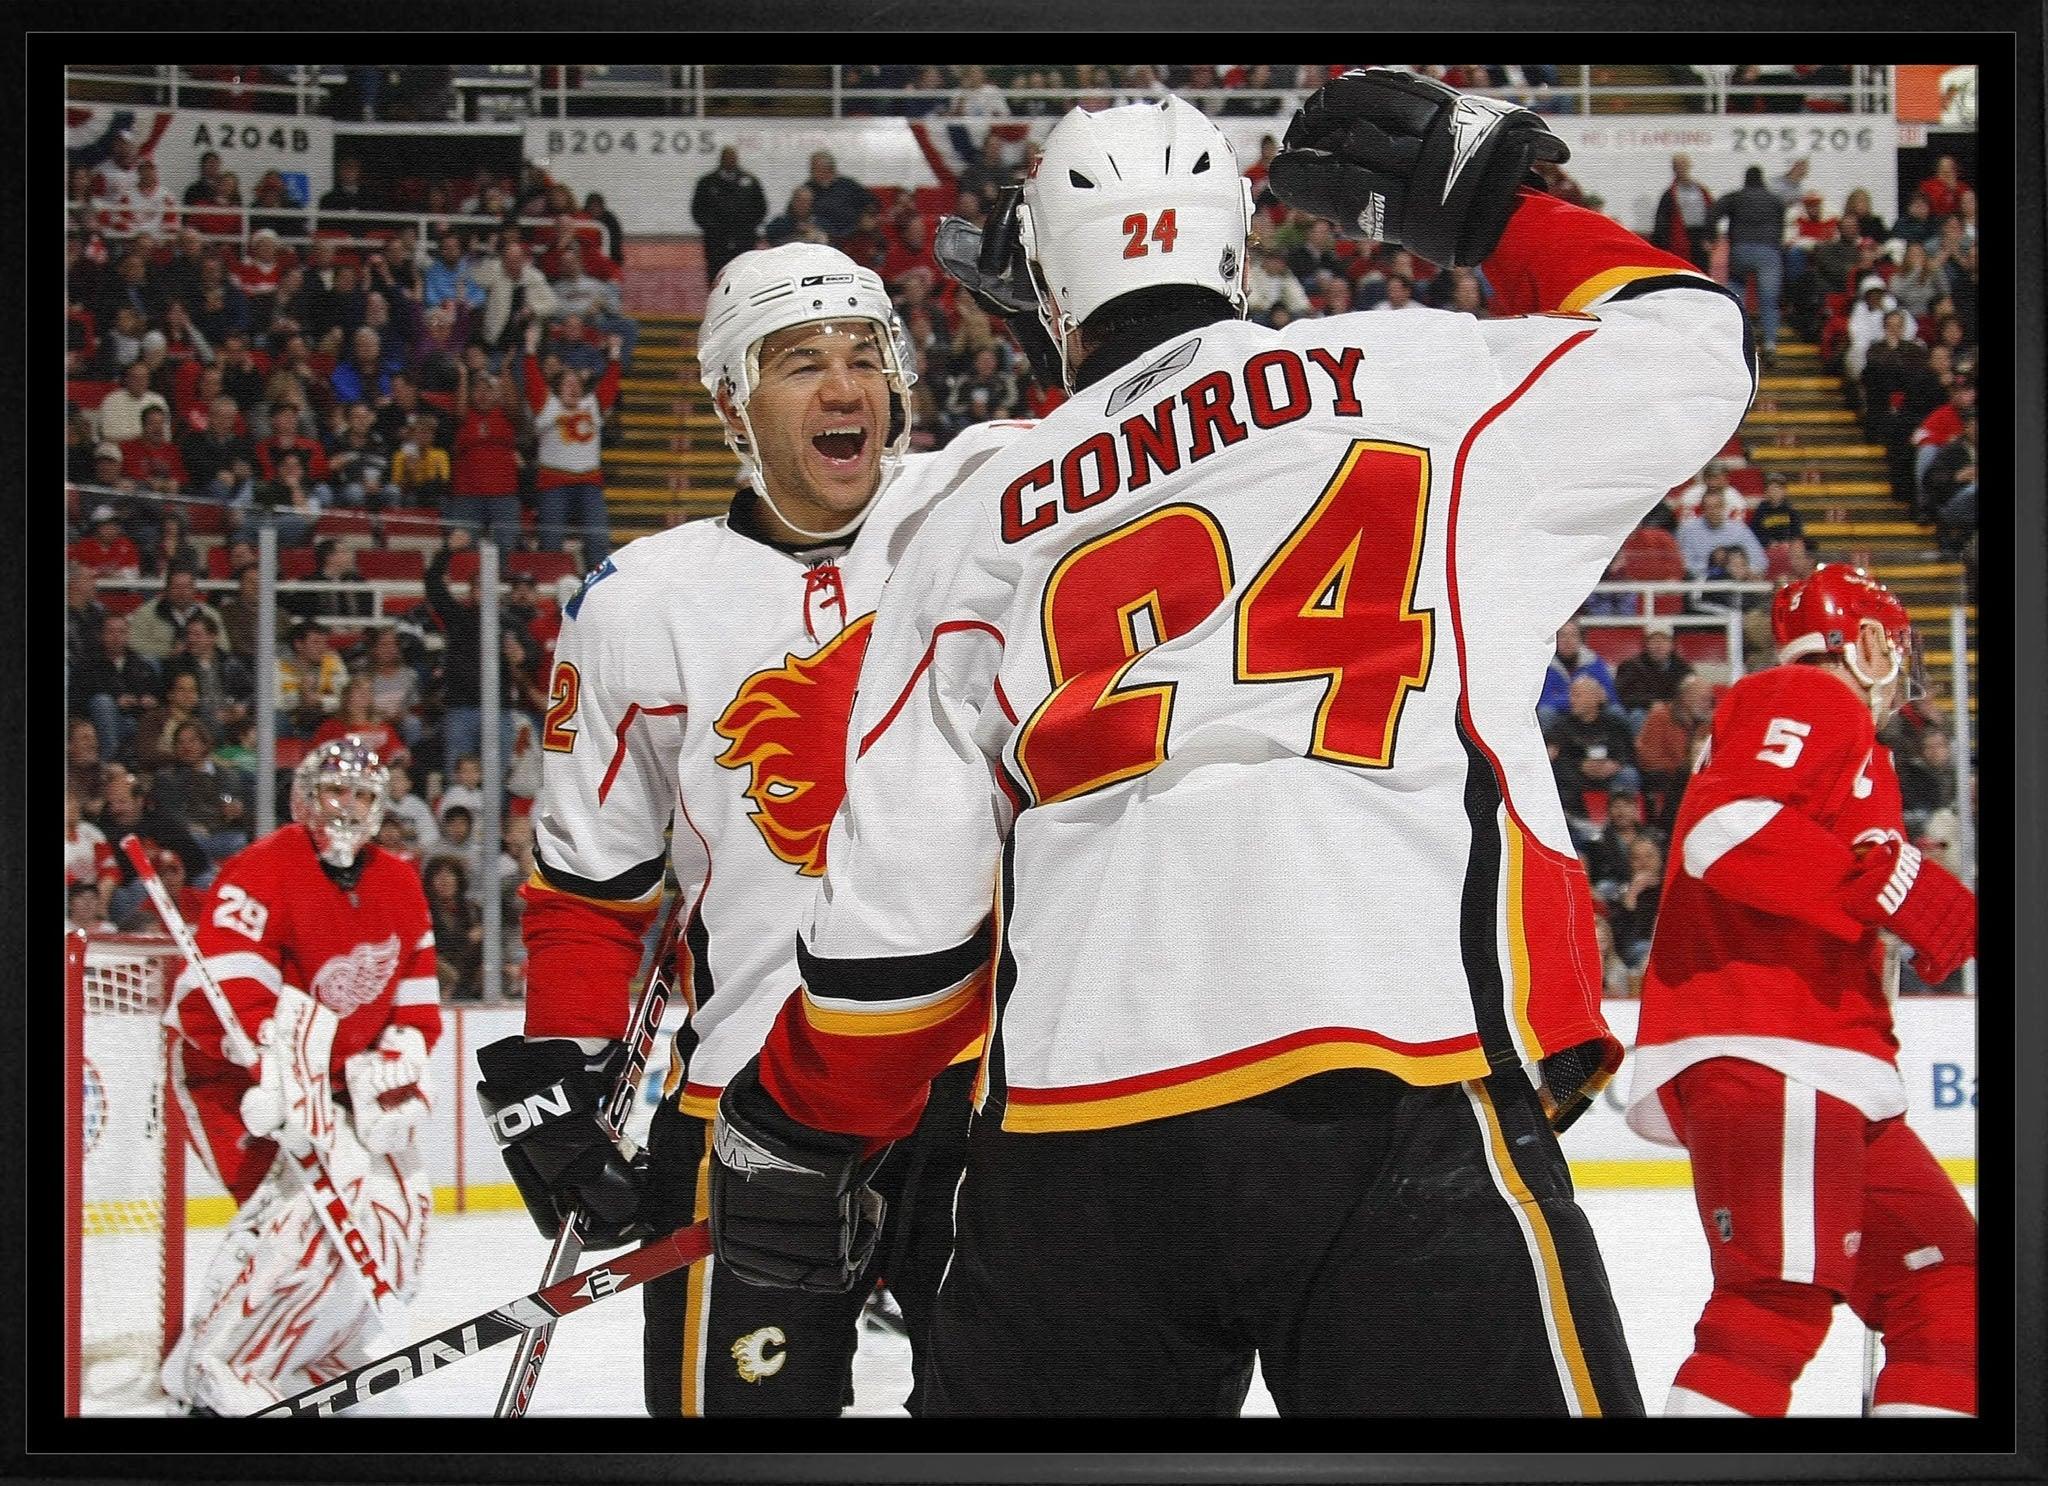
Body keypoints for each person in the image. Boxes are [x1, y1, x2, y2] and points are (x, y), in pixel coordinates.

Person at [700, 78, 1752, 1416]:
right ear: (1233, 249)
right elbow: (1692, 341)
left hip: (1081, 1123)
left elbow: (897, 938)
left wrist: (796, 1126)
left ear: (1044, 283)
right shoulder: (1419, 370)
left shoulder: (969, 505)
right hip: (1395, 1065)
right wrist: (1499, 207)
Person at [475, 240, 1033, 1418]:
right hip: (748, 1102)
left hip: (985, 1095)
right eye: (798, 364)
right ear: (731, 399)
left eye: (864, 358)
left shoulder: (988, 519)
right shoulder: (640, 604)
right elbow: (589, 891)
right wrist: (556, 1087)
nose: (845, 389)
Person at [1626, 566, 1977, 1416]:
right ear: (1860, 641)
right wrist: (1886, 881)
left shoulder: (1837, 731)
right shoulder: (1805, 695)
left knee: (1955, 1293)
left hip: (1829, 1060)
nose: (1902, 667)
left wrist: (1880, 886)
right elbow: (1729, 829)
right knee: (1769, 1308)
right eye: (1893, 645)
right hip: (1777, 1042)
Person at [158, 739, 440, 1414]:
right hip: (230, 1074)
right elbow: (220, 989)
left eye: (364, 795)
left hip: (335, 1083)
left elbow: (417, 998)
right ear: (305, 797)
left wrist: (400, 1056)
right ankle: (213, 1366)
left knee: (397, 1220)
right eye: (336, 792)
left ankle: (312, 1352)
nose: (349, 807)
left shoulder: (398, 880)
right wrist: (269, 1060)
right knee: (295, 1219)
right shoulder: (261, 869)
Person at [521, 321, 622, 565]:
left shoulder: (592, 405)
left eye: (577, 384)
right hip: (553, 482)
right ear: (556, 389)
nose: (573, 389)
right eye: (567, 385)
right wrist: (530, 349)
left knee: (598, 538)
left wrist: (615, 355)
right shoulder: (546, 405)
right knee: (551, 539)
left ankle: (598, 588)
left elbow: (609, 385)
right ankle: (550, 580)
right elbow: (533, 379)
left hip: (589, 481)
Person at [1712, 164, 1788, 364]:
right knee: (1769, 301)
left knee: (1737, 297)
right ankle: (1770, 344)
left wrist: (1710, 237)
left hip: (1740, 249)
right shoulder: (1775, 200)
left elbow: (1713, 214)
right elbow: (1782, 225)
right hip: (1768, 251)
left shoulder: (1735, 197)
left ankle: (1737, 340)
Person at [691, 146, 769, 285]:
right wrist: (712, 228)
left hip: (744, 240)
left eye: (732, 157)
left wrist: (747, 227)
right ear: (721, 159)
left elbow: (760, 208)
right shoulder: (707, 183)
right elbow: (698, 210)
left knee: (744, 274)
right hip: (716, 241)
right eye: (726, 157)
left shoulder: (750, 182)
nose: (730, 160)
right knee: (717, 277)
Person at [1614, 620, 1693, 726]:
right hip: (1641, 711)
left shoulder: (1683, 668)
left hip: (1674, 711)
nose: (1659, 645)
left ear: (1672, 644)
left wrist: (1668, 705)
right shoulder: (1630, 666)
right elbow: (1624, 695)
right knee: (1637, 715)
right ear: (1646, 644)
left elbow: (1692, 693)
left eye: (1664, 640)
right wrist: (1650, 704)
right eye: (1654, 640)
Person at [1651, 152, 1716, 270]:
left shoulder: (1701, 190)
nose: (1681, 168)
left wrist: (1711, 238)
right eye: (1678, 165)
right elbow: (1662, 220)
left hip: (1700, 236)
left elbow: (1711, 214)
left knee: (1701, 271)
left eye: (1683, 164)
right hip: (1680, 237)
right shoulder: (1669, 194)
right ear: (1674, 168)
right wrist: (1661, 245)